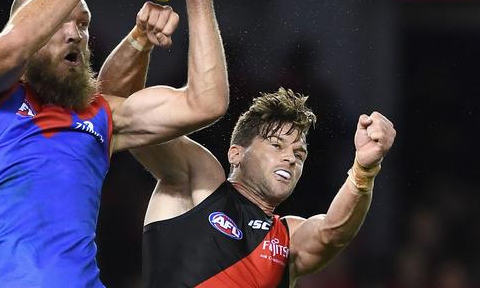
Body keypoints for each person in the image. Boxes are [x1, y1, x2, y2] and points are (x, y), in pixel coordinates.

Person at [0, 0, 228, 286]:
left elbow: (207, 103)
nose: (73, 33)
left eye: (83, 23)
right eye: (58, 21)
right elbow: (13, 44)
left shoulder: (99, 116)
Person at [99, 46, 396, 287]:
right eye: (277, 145)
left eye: (299, 154)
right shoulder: (198, 179)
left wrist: (364, 169)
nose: (291, 158)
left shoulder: (287, 236)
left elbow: (333, 232)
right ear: (236, 154)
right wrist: (140, 42)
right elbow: (118, 108)